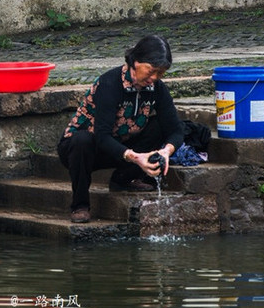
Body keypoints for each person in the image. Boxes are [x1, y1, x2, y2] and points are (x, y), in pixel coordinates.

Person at [57, 35, 184, 223]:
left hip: (122, 145)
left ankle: (122, 179)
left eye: (160, 74)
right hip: (87, 148)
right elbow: (101, 136)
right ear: (136, 62)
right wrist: (136, 157)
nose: (154, 78)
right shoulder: (110, 84)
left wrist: (167, 150)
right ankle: (80, 205)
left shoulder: (157, 88)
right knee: (81, 140)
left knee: (159, 127)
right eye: (151, 71)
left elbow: (176, 130)